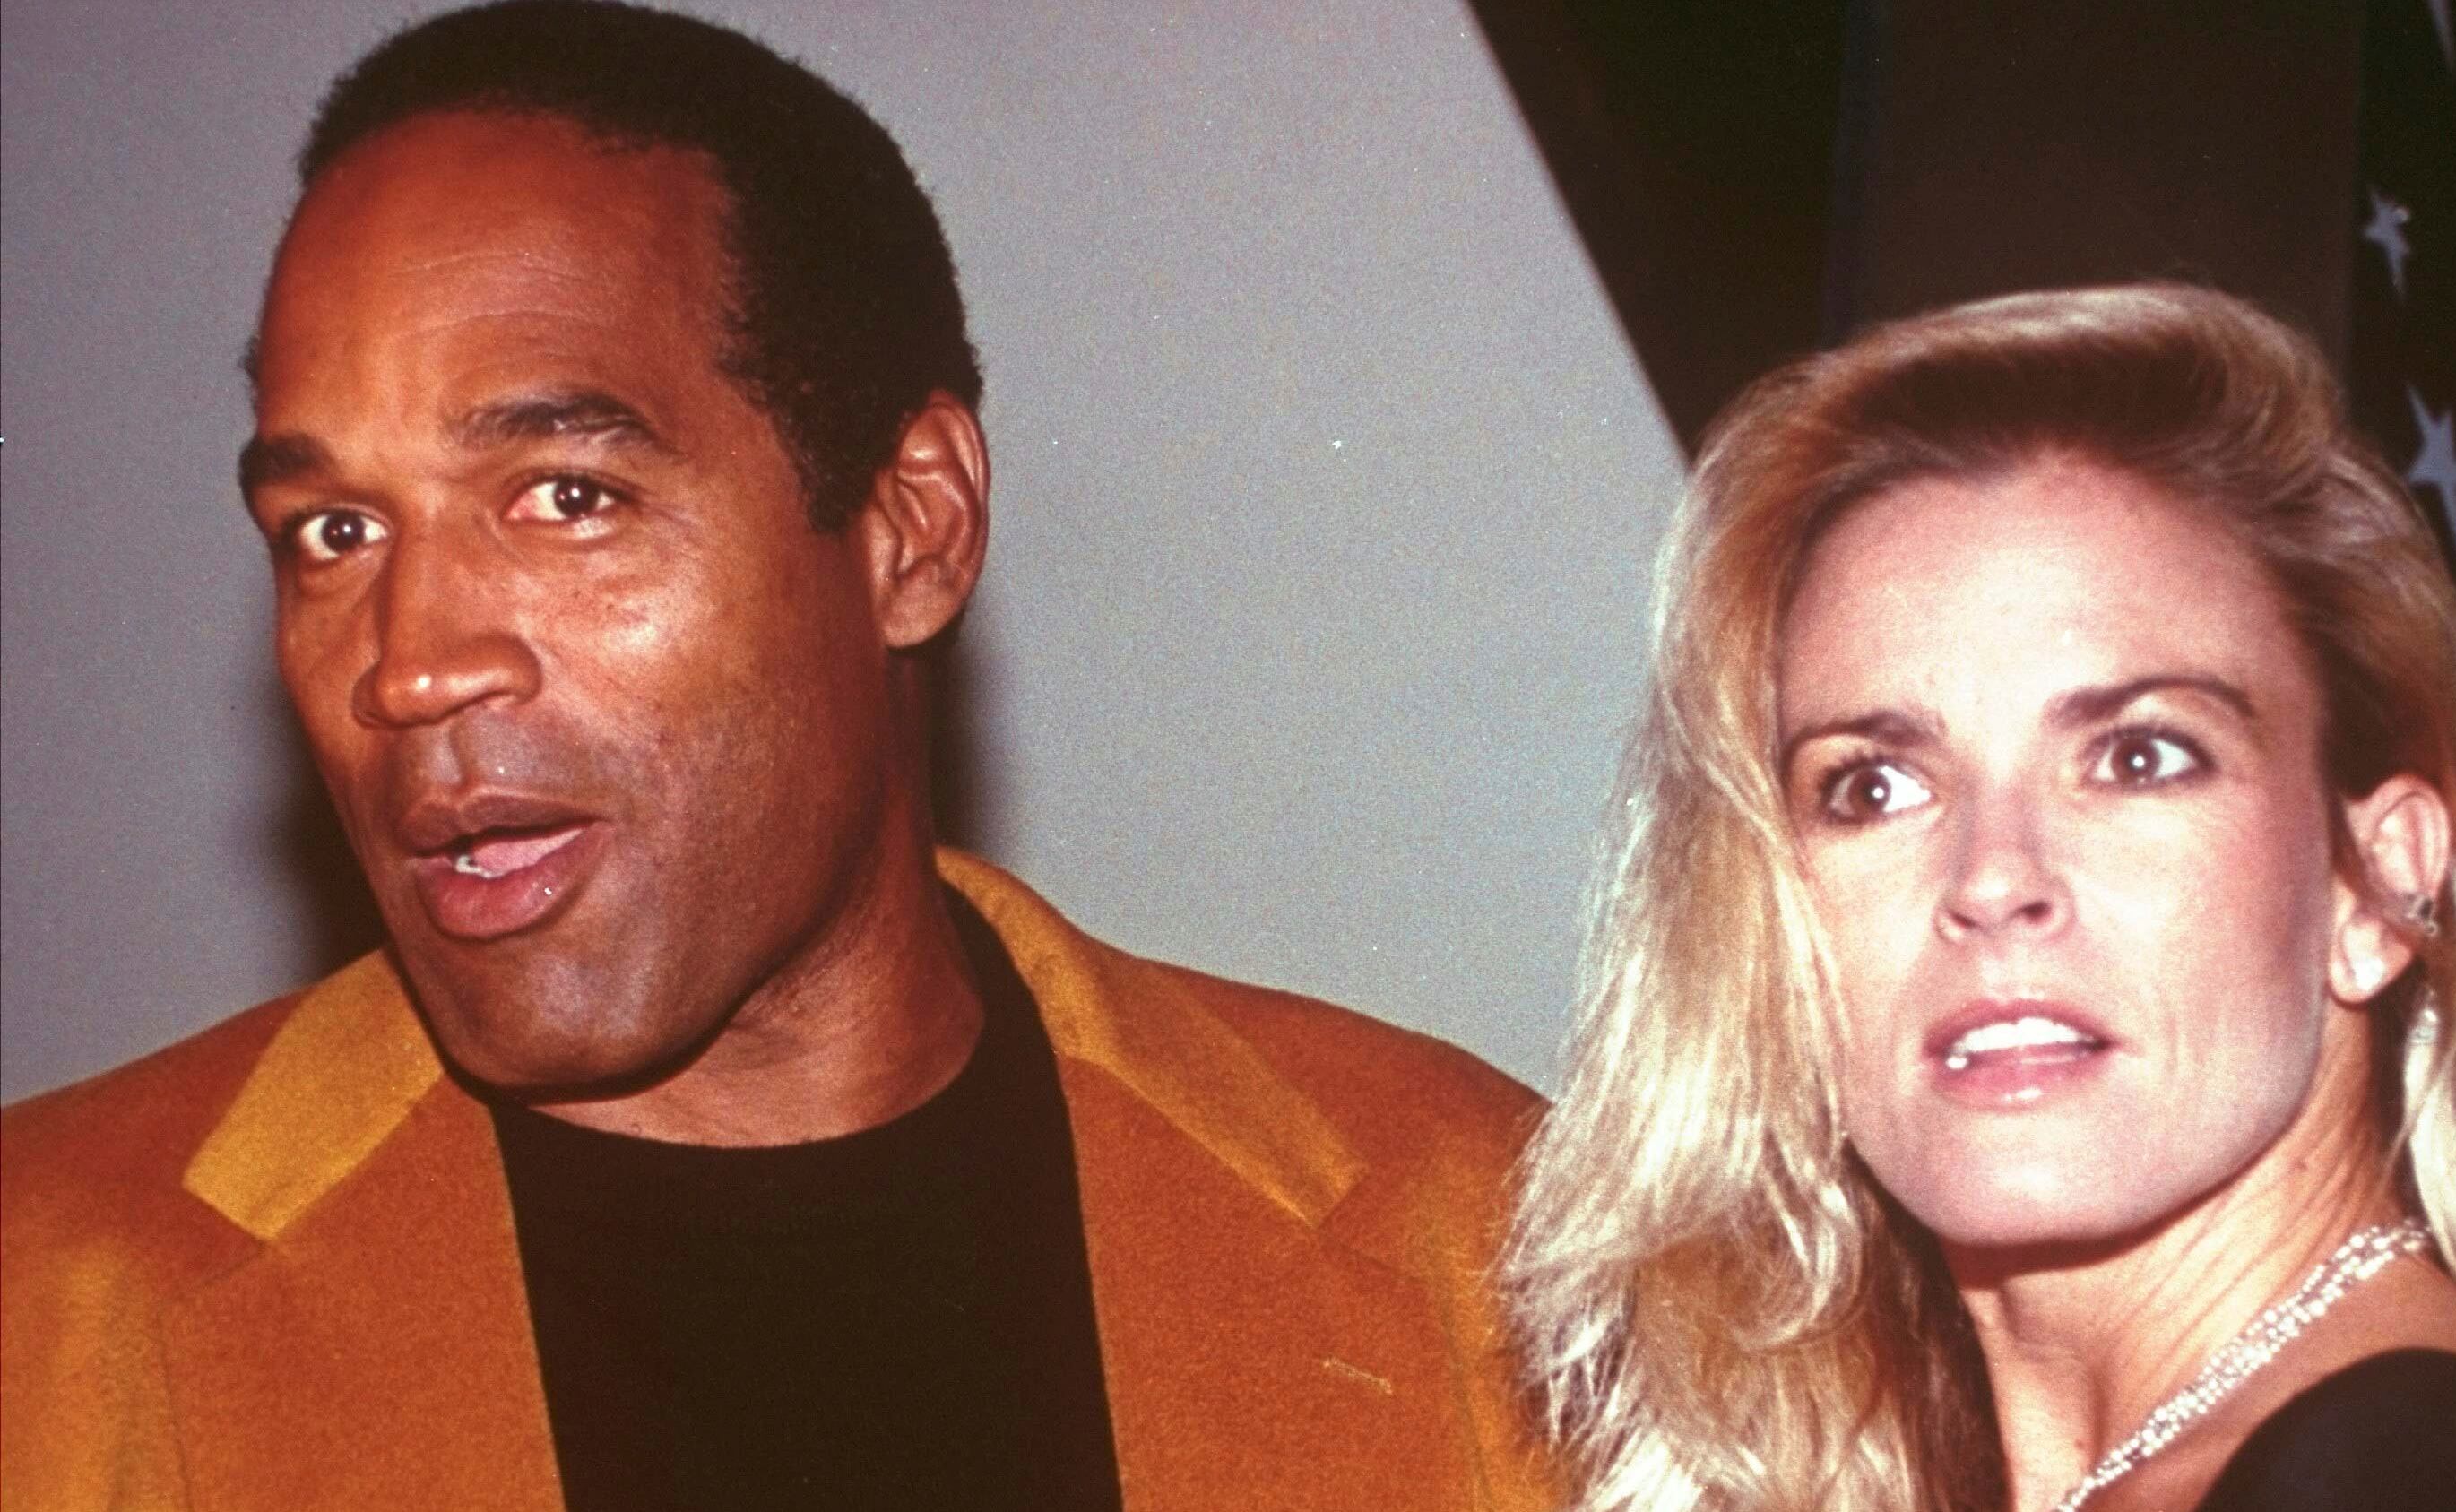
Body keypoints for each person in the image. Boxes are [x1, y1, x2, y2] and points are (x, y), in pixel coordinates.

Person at [0, 4, 1550, 1508]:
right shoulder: (46, 1305)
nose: (407, 665)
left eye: (567, 497)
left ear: (913, 527)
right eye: (334, 531)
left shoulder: (1487, 1250)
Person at [1504, 283, 2456, 1512]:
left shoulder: (2429, 1477)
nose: (1992, 879)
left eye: (2138, 757)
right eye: (1872, 786)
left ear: (2379, 885)